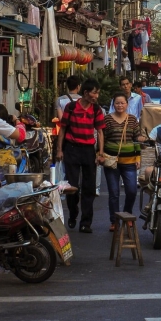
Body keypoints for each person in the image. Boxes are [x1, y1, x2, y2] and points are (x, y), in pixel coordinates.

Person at [56, 78, 106, 233]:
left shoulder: (96, 109)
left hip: (88, 150)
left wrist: (100, 152)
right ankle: (73, 212)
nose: (96, 96)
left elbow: (100, 131)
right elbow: (63, 130)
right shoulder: (71, 108)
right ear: (85, 93)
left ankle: (86, 222)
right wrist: (59, 150)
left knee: (89, 187)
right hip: (71, 149)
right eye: (94, 93)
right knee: (72, 186)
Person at [102, 92, 142, 230]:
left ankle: (127, 215)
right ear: (114, 104)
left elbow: (137, 138)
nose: (120, 105)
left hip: (130, 161)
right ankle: (114, 221)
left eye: (122, 103)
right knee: (114, 193)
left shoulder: (132, 119)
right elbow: (103, 138)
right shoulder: (107, 119)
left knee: (131, 191)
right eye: (117, 103)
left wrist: (138, 157)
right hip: (111, 162)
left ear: (127, 104)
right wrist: (99, 153)